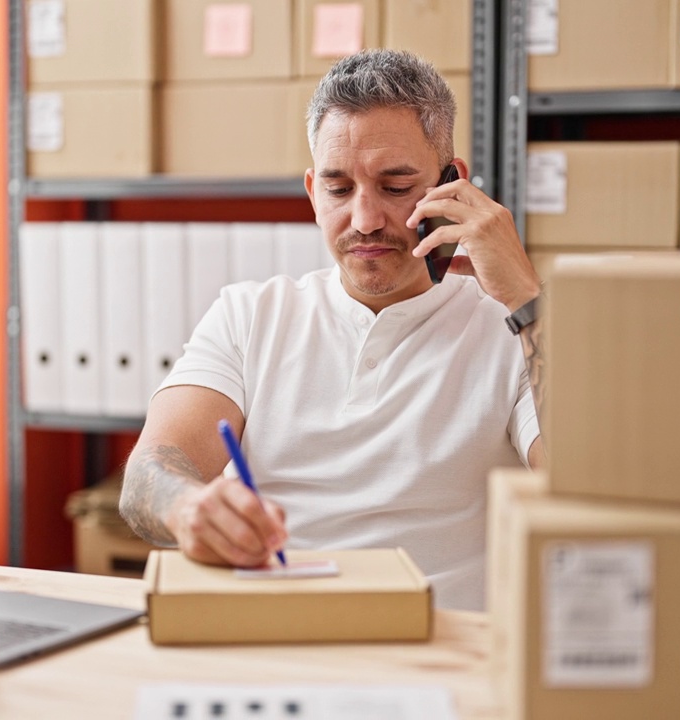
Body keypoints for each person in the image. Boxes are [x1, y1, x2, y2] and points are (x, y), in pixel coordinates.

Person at [119, 49, 546, 611]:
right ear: (311, 191)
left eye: (396, 187)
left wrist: (526, 300)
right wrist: (187, 509)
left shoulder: (511, 329)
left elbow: (584, 492)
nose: (365, 220)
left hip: (440, 654)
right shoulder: (251, 314)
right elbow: (149, 473)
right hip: (279, 641)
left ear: (453, 185)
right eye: (339, 189)